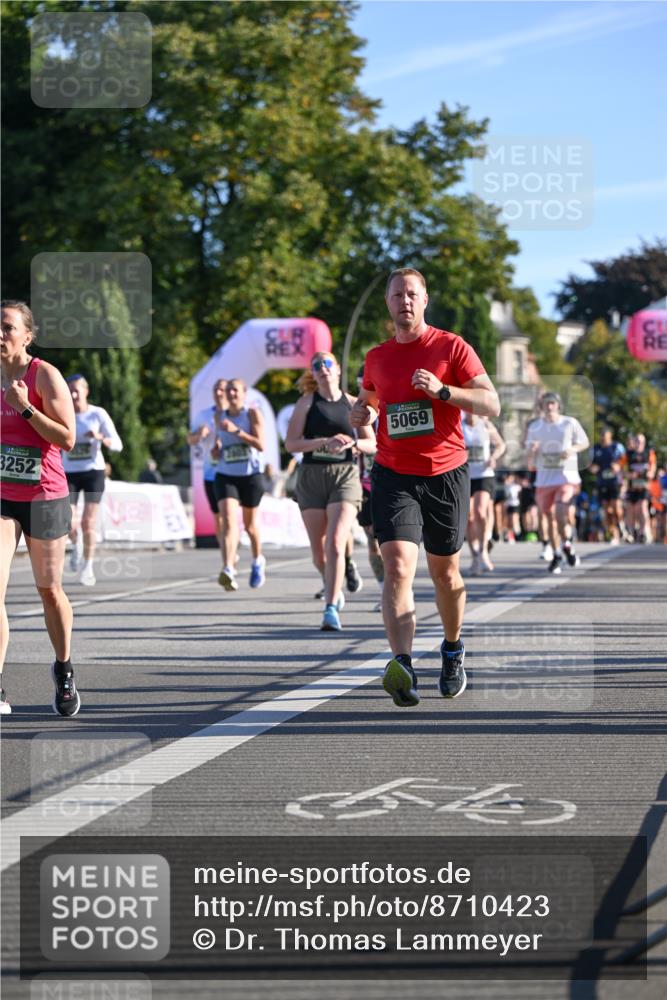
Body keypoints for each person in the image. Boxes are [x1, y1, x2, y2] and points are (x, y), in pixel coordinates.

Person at [351, 268, 500, 707]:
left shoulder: (451, 347)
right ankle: (403, 664)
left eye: (412, 294)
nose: (405, 301)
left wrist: (444, 391)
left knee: (445, 574)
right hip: (393, 472)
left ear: (425, 300)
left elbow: (491, 402)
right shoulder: (376, 357)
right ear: (388, 303)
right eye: (397, 295)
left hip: (446, 473)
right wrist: (360, 415)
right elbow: (369, 402)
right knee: (396, 567)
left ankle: (452, 649)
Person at [0, 300, 80, 716]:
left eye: (6, 326)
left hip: (45, 494)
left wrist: (26, 407)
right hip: (2, 495)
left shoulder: (44, 375)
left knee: (49, 589)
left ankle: (64, 668)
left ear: (27, 336)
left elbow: (67, 439)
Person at [285, 351, 375, 631]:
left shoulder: (352, 403)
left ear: (337, 369)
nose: (322, 368)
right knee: (318, 552)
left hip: (345, 476)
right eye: (316, 365)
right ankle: (334, 581)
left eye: (327, 363)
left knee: (336, 541)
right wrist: (324, 441)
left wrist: (352, 444)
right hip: (312, 476)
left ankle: (331, 605)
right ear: (313, 373)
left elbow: (373, 443)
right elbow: (292, 444)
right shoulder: (306, 403)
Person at [62, 375, 123, 586]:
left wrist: (100, 438)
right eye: (69, 390)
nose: (73, 394)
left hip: (93, 473)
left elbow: (117, 444)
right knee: (67, 522)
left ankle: (87, 567)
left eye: (77, 390)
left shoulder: (98, 414)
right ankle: (76, 544)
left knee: (88, 522)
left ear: (86, 391)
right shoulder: (63, 413)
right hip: (69, 472)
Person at [525, 391, 590, 574]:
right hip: (544, 480)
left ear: (558, 405)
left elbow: (584, 442)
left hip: (565, 477)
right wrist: (532, 450)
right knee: (549, 519)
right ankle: (556, 554)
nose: (549, 406)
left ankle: (567, 544)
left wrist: (572, 449)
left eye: (552, 403)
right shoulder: (535, 427)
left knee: (561, 511)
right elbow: (529, 461)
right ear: (542, 406)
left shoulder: (569, 423)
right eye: (546, 403)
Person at [213, 378, 267, 590]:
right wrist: (216, 449)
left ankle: (258, 560)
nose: (231, 394)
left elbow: (260, 444)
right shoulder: (220, 416)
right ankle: (228, 568)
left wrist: (236, 431)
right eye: (228, 390)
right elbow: (220, 441)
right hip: (226, 474)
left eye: (235, 390)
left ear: (244, 393)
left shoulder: (252, 414)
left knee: (250, 527)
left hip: (250, 475)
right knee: (228, 520)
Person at [462, 412, 506, 573]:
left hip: (484, 474)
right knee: (468, 516)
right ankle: (474, 555)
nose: (471, 412)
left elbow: (501, 445)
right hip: (465, 475)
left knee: (480, 512)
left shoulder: (486, 425)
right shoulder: (459, 424)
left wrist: (493, 457)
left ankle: (483, 551)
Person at [187, 379, 227, 548]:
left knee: (229, 513)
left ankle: (230, 550)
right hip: (211, 472)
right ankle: (226, 552)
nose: (218, 393)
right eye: (215, 389)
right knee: (217, 515)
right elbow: (190, 439)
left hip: (233, 471)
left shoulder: (238, 414)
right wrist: (199, 435)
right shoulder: (203, 416)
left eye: (222, 389)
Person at [590, 427, 627, 544]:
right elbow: (589, 463)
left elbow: (625, 460)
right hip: (602, 483)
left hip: (615, 482)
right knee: (607, 510)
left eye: (605, 436)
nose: (603, 439)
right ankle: (613, 534)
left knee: (616, 507)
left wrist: (618, 466)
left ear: (610, 436)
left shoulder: (617, 447)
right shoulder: (596, 449)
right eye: (601, 436)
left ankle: (621, 525)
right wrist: (592, 468)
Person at [623, 432, 656, 544]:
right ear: (634, 442)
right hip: (632, 487)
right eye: (637, 441)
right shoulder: (628, 454)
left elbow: (653, 466)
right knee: (630, 510)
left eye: (641, 441)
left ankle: (643, 532)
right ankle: (631, 533)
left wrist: (650, 474)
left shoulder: (649, 453)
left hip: (644, 486)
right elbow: (621, 468)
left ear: (644, 442)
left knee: (642, 508)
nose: (639, 443)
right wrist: (628, 475)